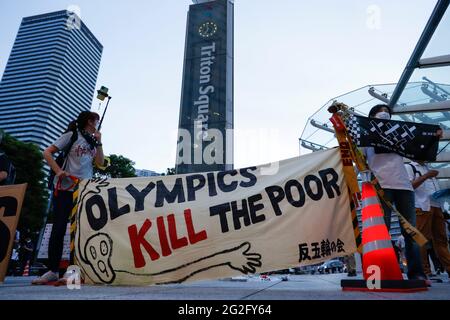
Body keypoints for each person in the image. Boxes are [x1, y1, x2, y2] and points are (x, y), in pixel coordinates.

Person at [32, 111, 104, 285]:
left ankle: (73, 272)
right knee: (58, 228)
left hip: (84, 190)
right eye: (96, 120)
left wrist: (100, 141)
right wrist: (59, 171)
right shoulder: (72, 135)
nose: (98, 122)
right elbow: (47, 152)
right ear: (89, 121)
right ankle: (53, 270)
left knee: (79, 230)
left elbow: (100, 163)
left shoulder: (93, 142)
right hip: (65, 189)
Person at [362, 104, 428, 282]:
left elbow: (420, 145)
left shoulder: (399, 132)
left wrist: (433, 137)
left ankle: (416, 273)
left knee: (410, 232)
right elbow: (359, 159)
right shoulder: (365, 134)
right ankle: (385, 271)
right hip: (380, 184)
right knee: (382, 231)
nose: (384, 114)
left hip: (404, 186)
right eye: (379, 111)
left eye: (387, 112)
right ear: (372, 116)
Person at [405, 160, 450, 279]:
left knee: (441, 239)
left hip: (436, 205)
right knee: (421, 240)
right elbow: (409, 186)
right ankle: (424, 272)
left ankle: (449, 268)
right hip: (421, 206)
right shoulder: (410, 167)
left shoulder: (427, 166)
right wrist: (426, 176)